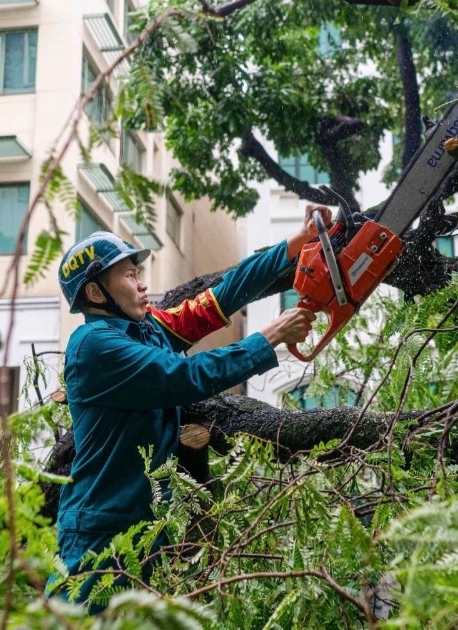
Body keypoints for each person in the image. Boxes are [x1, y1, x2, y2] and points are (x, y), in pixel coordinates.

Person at [53, 205, 328, 610]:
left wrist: (295, 244)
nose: (141, 284)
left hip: (144, 533)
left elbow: (221, 297)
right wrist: (268, 338)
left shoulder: (147, 330)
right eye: (129, 276)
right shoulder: (96, 346)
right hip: (98, 534)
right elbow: (183, 378)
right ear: (97, 293)